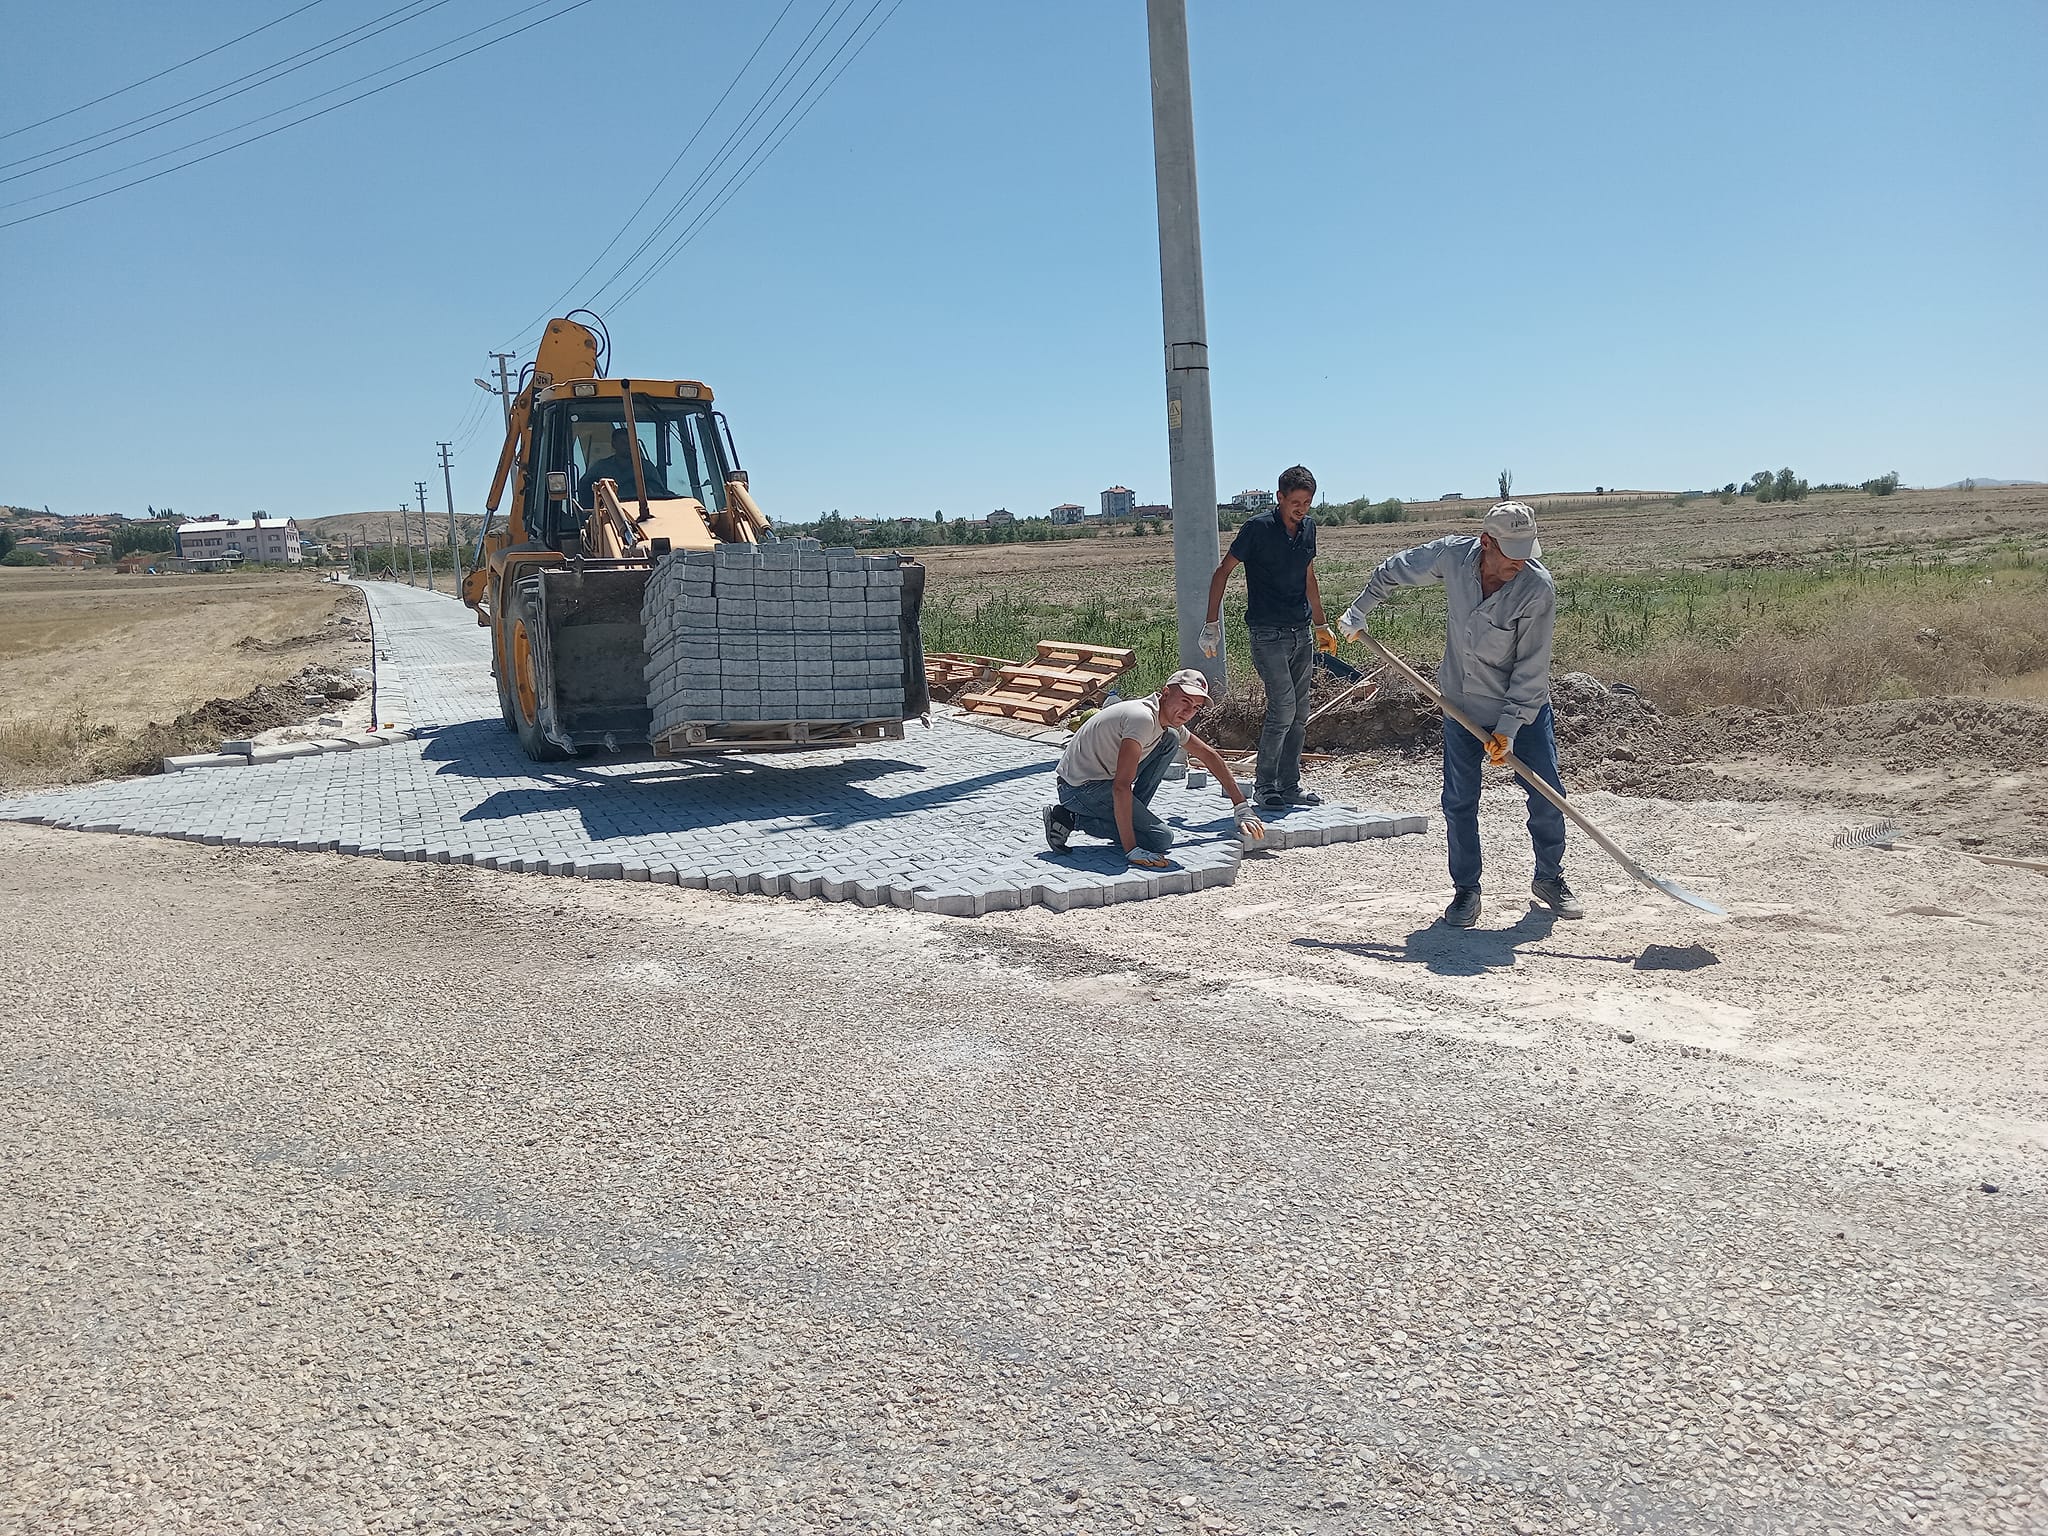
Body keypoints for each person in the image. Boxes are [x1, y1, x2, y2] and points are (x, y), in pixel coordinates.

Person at [1336, 501, 1581, 927]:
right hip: (1461, 706)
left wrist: (1507, 730)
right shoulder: (1453, 556)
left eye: (1527, 551)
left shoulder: (1537, 589)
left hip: (1522, 712)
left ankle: (1549, 877)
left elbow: (1530, 668)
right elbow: (1394, 568)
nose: (1520, 562)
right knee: (1460, 802)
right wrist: (1360, 611)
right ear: (1486, 542)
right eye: (1511, 552)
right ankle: (1466, 891)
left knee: (1546, 797)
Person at [1201, 465, 1340, 810]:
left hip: (1301, 633)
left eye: (1307, 502)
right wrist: (1211, 625)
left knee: (1300, 711)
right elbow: (1223, 572)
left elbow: (1309, 576)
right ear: (1279, 497)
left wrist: (1321, 626)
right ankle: (1264, 787)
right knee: (1283, 708)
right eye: (1295, 502)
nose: (1301, 509)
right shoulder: (1257, 529)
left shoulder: (1308, 529)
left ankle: (1289, 785)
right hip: (1267, 634)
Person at [1043, 670, 1265, 869]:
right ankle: (1069, 818)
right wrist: (1131, 850)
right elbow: (1121, 786)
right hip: (1079, 789)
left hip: (1102, 782)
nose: (1188, 712)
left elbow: (1208, 755)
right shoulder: (1141, 719)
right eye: (1185, 701)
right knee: (1160, 839)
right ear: (1165, 693)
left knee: (1170, 738)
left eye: (1195, 707)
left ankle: (1126, 818)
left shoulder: (1165, 720)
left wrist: (1241, 807)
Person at [579, 427, 671, 503]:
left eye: (630, 442)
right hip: (609, 515)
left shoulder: (646, 468)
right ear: (614, 444)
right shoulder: (600, 468)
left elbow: (659, 492)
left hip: (642, 512)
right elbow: (585, 490)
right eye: (623, 442)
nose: (627, 445)